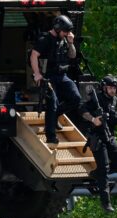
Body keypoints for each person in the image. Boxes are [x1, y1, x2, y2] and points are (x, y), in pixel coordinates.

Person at [30, 15, 81, 144]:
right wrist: (37, 74)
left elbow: (73, 55)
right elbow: (34, 55)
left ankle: (55, 116)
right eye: (65, 31)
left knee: (76, 98)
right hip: (48, 76)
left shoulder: (64, 39)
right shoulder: (45, 39)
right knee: (52, 103)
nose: (67, 34)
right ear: (58, 29)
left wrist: (70, 43)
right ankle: (51, 137)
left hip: (62, 75)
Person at [80, 75, 117, 212]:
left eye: (115, 88)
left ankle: (97, 174)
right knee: (104, 168)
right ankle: (106, 203)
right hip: (97, 137)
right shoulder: (97, 98)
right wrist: (93, 119)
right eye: (110, 88)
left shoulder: (115, 100)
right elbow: (82, 109)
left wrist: (116, 118)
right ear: (104, 87)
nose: (113, 90)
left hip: (109, 136)